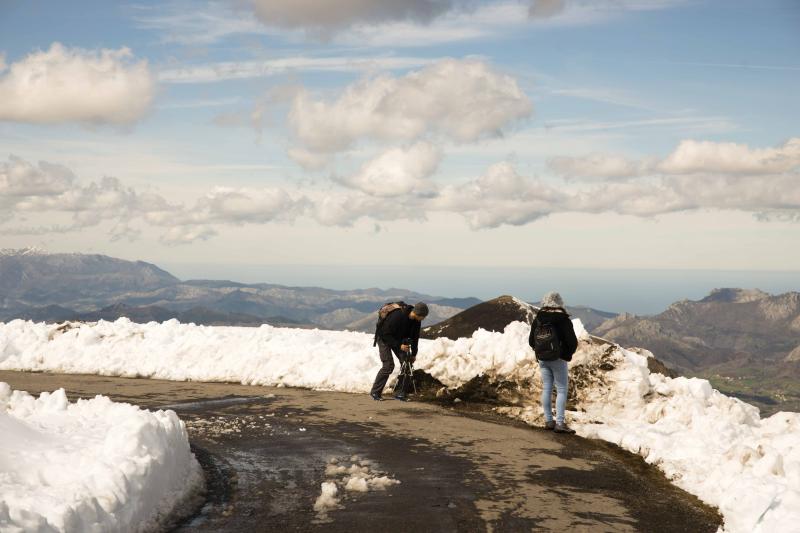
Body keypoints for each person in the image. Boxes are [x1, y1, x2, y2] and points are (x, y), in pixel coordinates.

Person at [529, 291, 578, 434]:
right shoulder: (563, 319)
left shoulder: (539, 318)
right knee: (561, 389)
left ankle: (549, 420)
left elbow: (531, 341)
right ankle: (560, 423)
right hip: (558, 359)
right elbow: (572, 342)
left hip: (543, 359)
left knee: (547, 388)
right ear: (559, 302)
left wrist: (541, 352)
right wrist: (565, 355)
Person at [370, 301, 429, 401]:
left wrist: (413, 354)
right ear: (419, 314)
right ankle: (375, 392)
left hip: (399, 340)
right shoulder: (398, 316)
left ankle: (400, 393)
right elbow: (385, 333)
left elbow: (415, 338)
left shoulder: (417, 321)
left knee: (407, 364)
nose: (424, 318)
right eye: (424, 316)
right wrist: (399, 345)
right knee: (388, 365)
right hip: (384, 339)